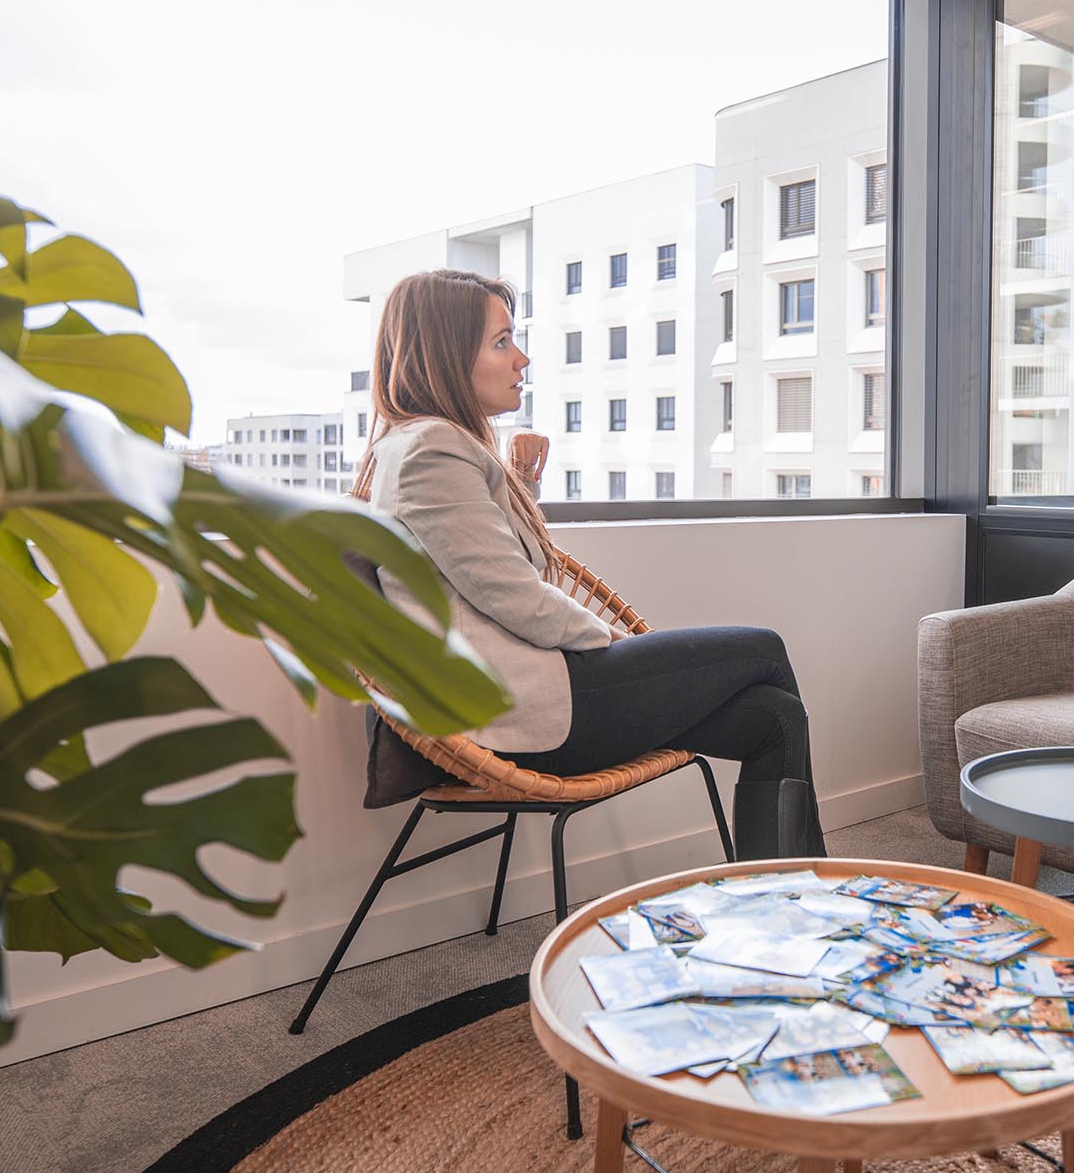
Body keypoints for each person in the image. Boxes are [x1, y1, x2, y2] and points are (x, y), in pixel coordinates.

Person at [353, 268, 824, 859]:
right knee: (761, 647)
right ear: (446, 356)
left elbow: (491, 568)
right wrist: (611, 643)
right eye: (502, 342)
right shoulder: (430, 450)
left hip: (540, 695)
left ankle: (780, 898)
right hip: (531, 715)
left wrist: (521, 482)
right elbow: (519, 599)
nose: (521, 359)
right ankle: (799, 894)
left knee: (775, 718)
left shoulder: (428, 447)